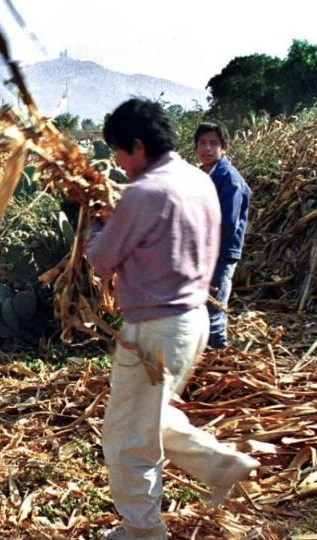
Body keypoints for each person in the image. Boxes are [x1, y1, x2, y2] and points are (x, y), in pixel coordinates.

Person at [85, 99, 259, 539]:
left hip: (153, 332)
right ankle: (224, 465)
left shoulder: (145, 193)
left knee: (126, 436)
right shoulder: (198, 181)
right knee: (151, 417)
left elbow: (102, 261)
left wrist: (95, 220)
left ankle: (142, 532)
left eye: (120, 153)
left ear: (138, 146)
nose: (119, 164)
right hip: (193, 320)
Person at [194, 122, 251, 350]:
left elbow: (227, 224)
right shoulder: (201, 174)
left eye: (213, 144)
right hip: (204, 250)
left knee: (214, 309)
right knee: (200, 306)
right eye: (202, 143)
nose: (207, 148)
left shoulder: (229, 179)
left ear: (224, 147)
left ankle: (220, 359)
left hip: (221, 252)